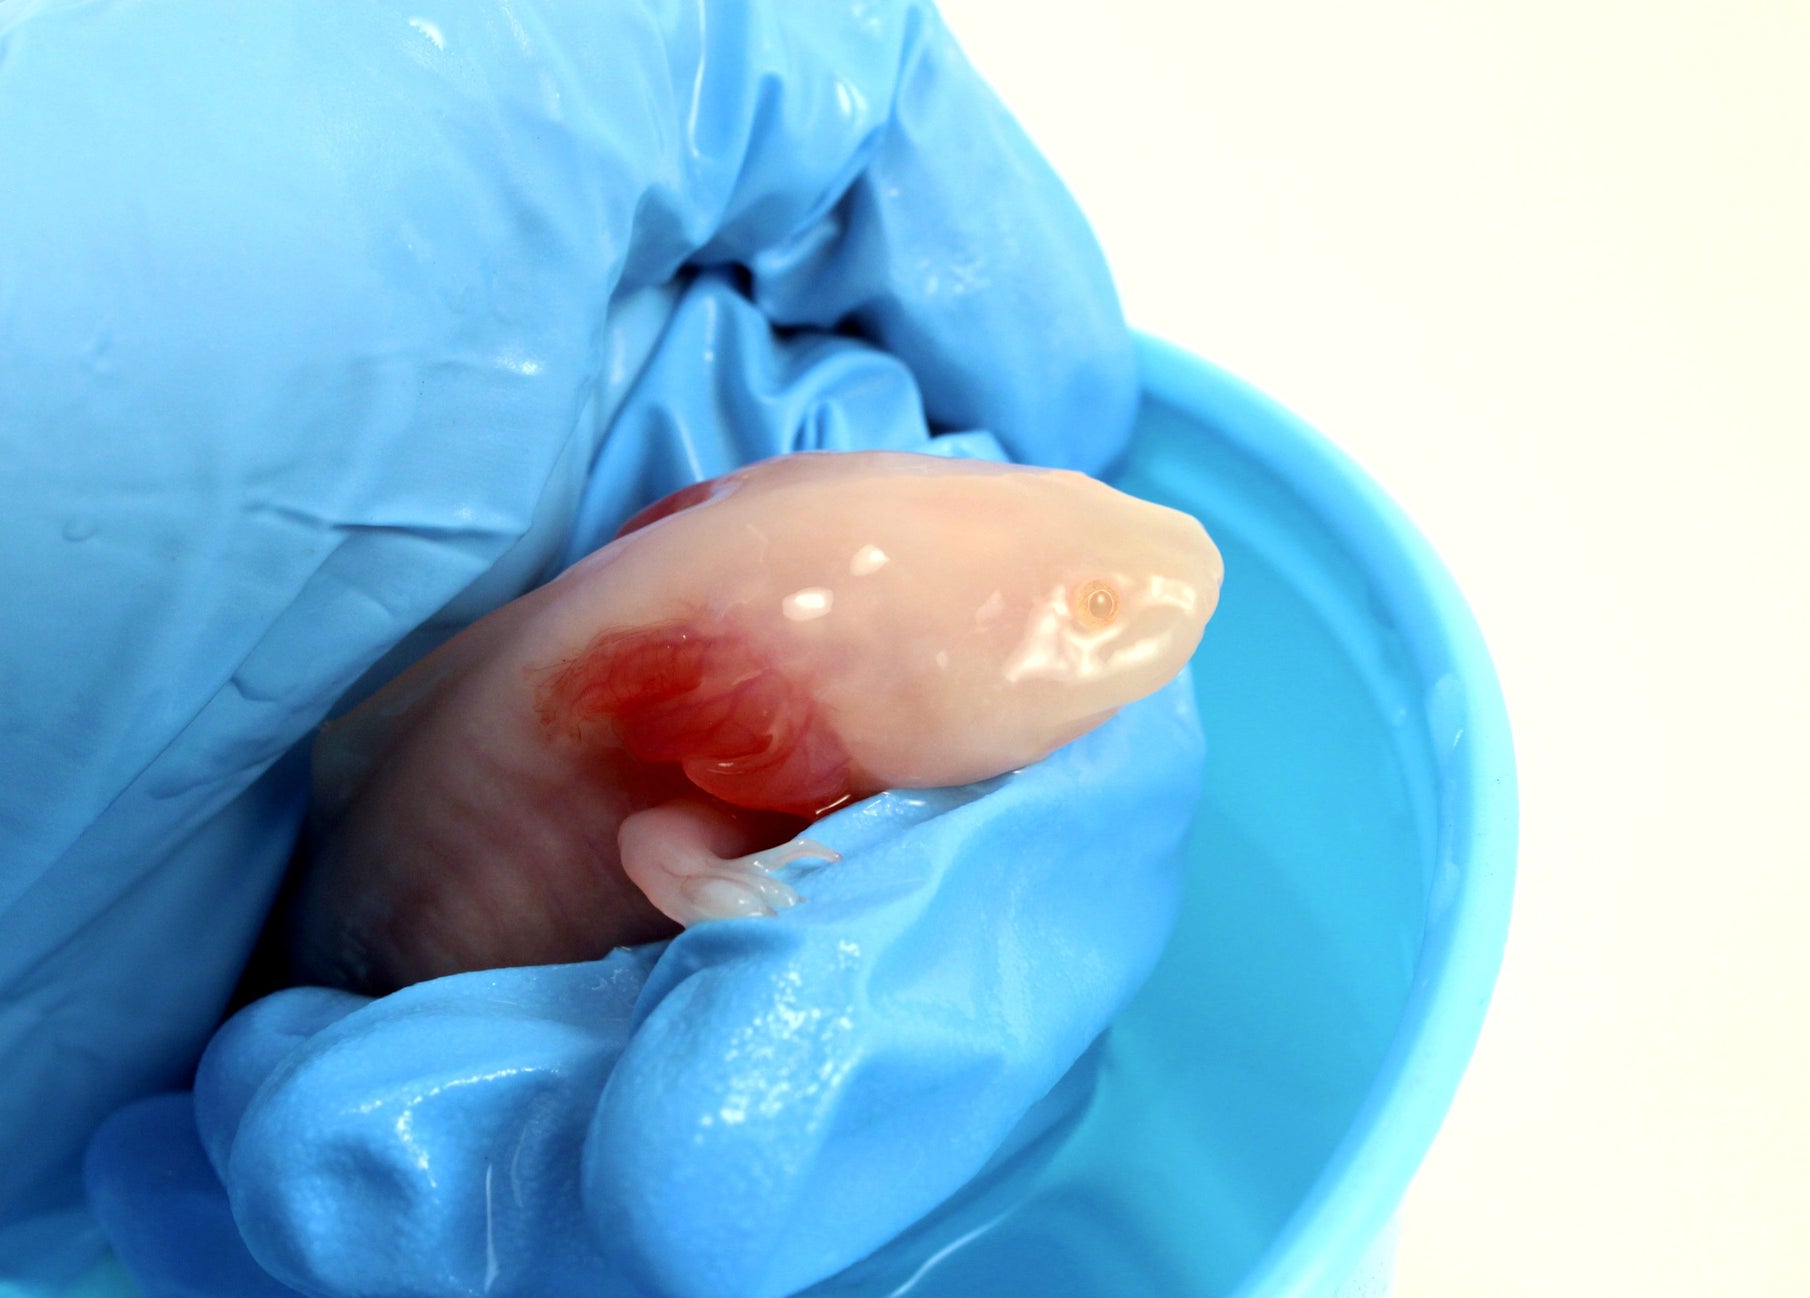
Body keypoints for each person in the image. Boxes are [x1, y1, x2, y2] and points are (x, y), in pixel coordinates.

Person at [0, 2, 1200, 1292]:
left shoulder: (752, 639)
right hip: (364, 980)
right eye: (1079, 607)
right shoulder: (729, 720)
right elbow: (656, 842)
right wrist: (734, 897)